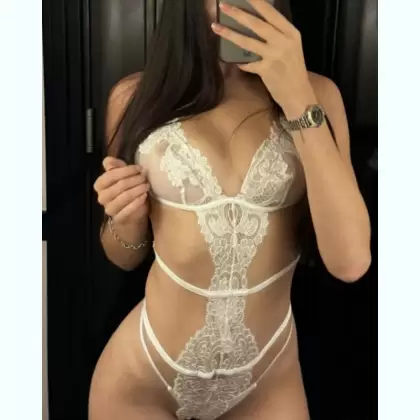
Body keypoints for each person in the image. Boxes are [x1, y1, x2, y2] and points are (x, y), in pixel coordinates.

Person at [89, 1, 371, 419]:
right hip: (143, 379)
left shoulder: (319, 95)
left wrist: (296, 95)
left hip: (268, 383)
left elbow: (350, 261)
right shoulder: (134, 97)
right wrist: (126, 220)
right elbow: (123, 256)